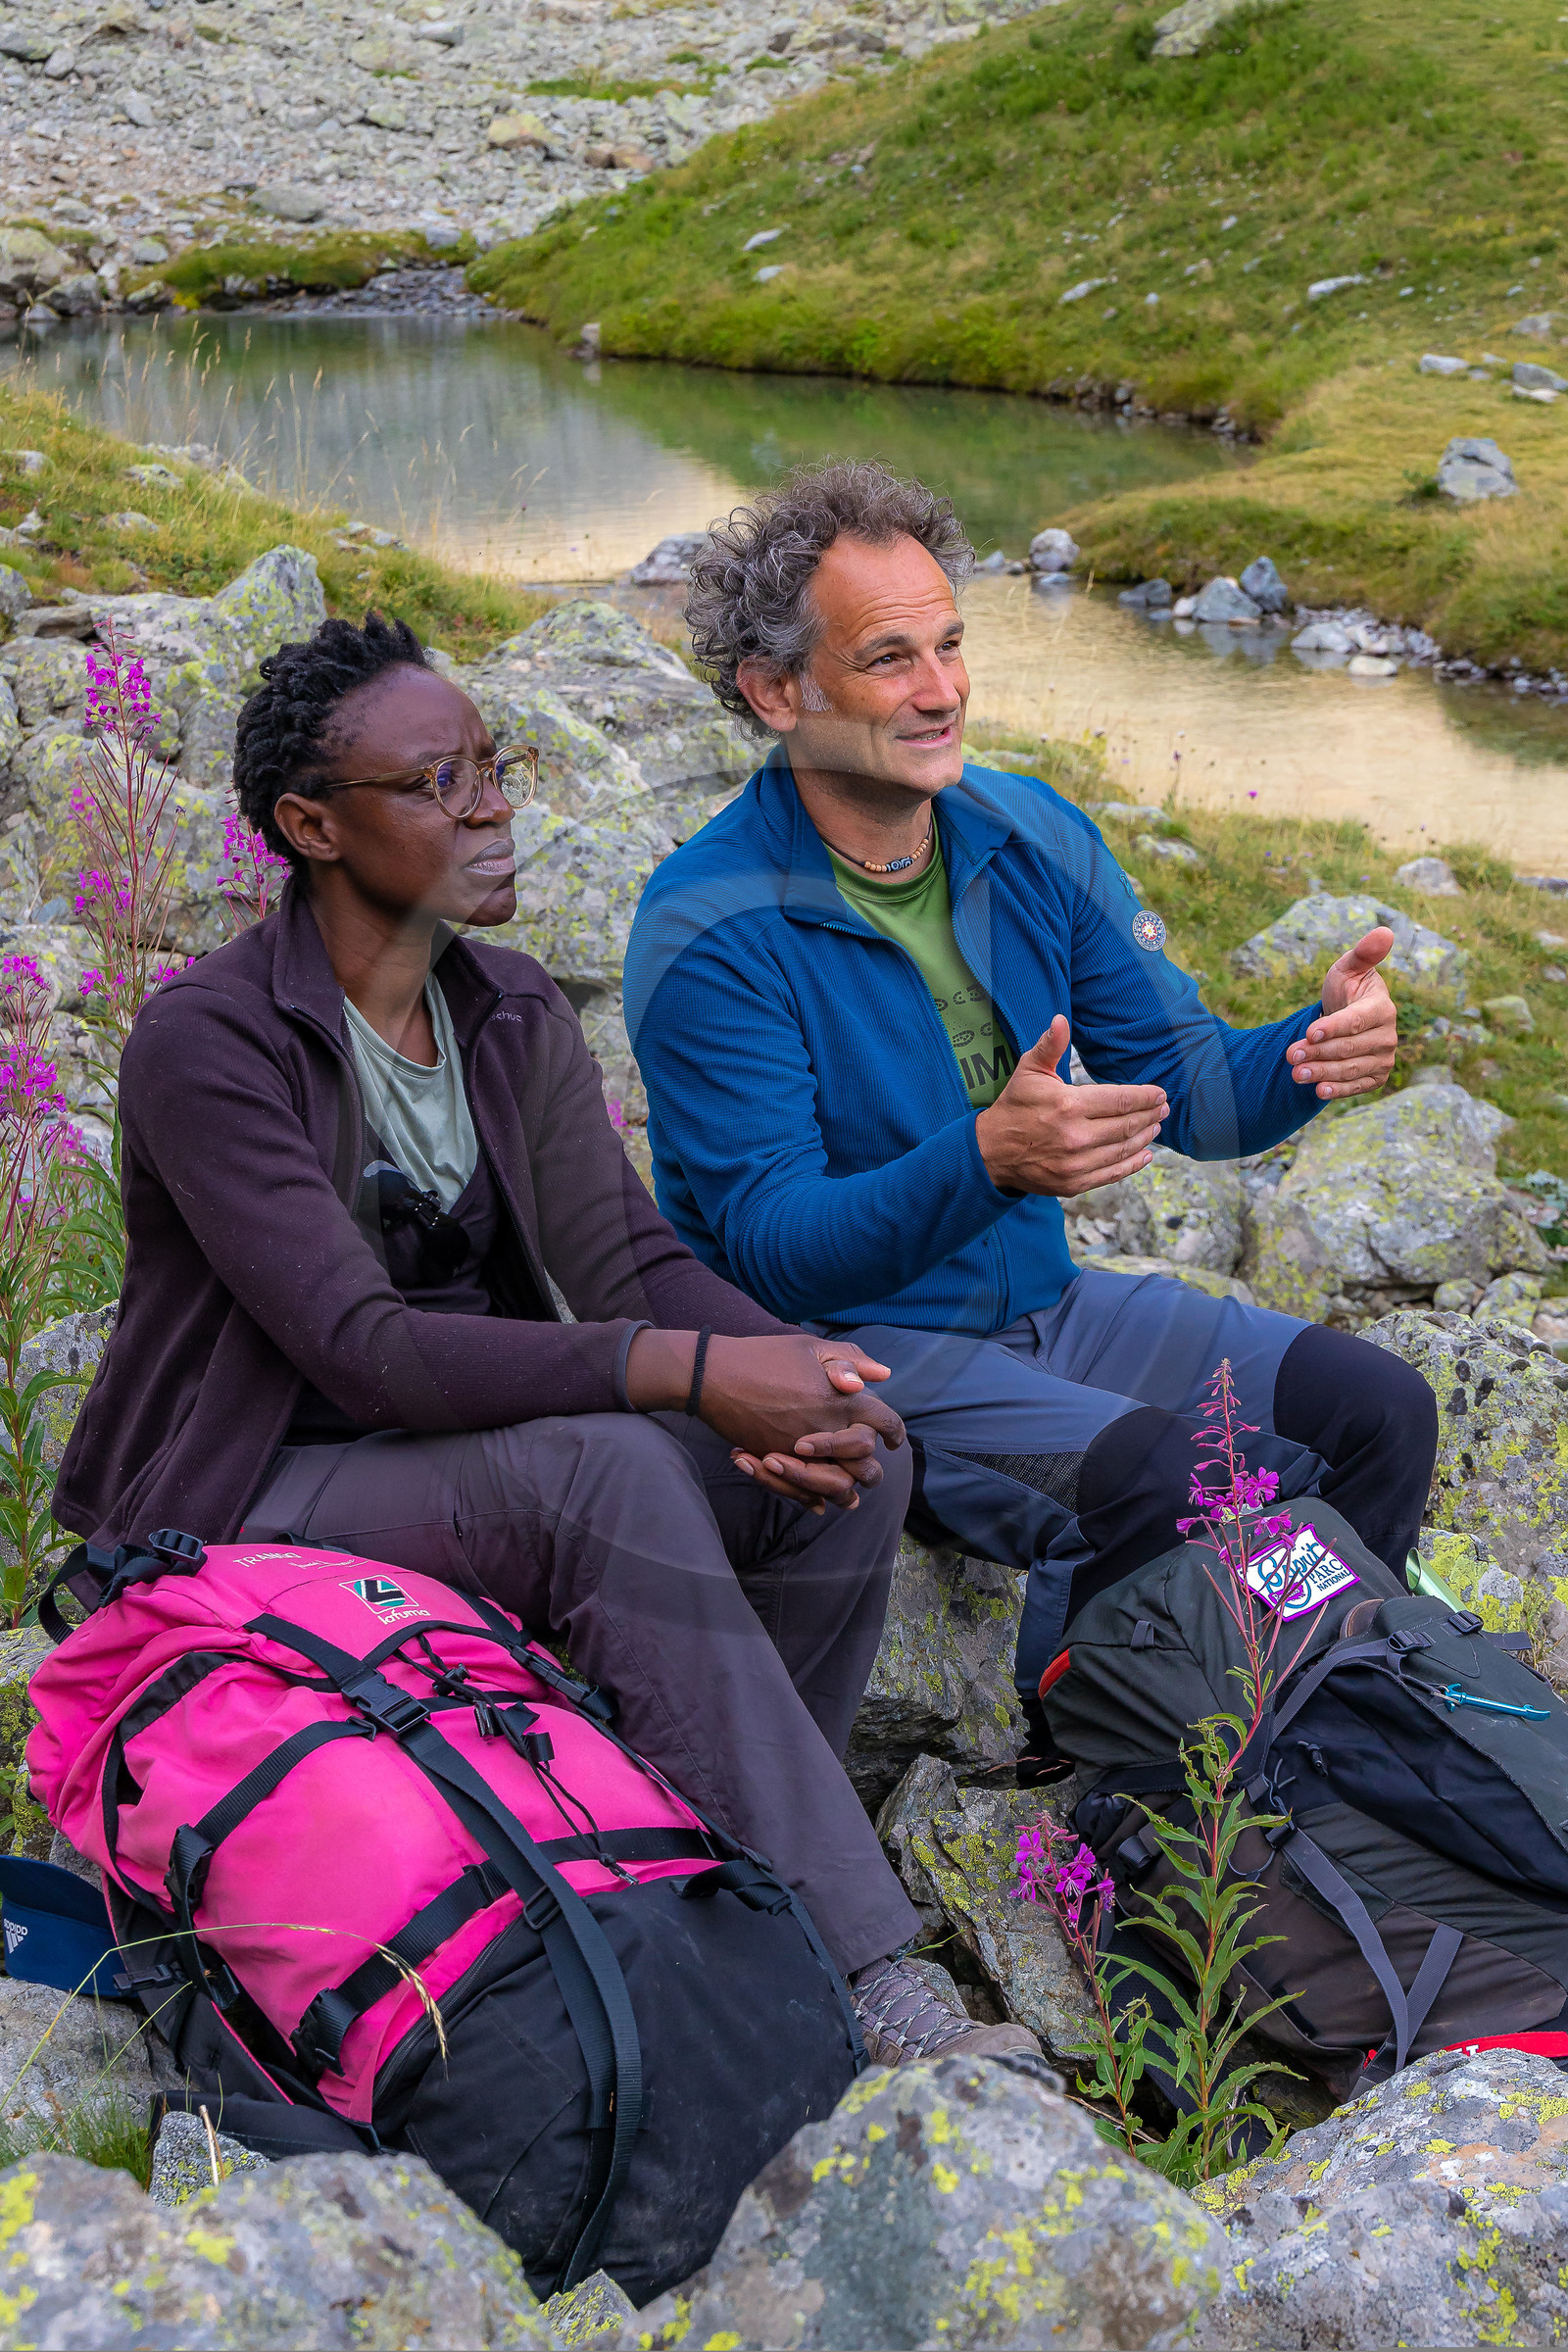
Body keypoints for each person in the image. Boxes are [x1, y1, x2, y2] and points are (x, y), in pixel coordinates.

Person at [52, 609, 1027, 2069]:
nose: (493, 803)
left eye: (492, 767)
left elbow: (625, 1257)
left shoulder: (504, 1006)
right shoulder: (212, 1041)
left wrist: (799, 1377)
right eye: (437, 782)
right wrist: (695, 1378)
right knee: (606, 1472)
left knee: (852, 1462)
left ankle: (732, 1887)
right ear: (311, 825)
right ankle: (867, 1970)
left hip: (456, 1450)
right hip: (253, 1493)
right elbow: (360, 1349)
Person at [623, 461, 1440, 1772]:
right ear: (780, 691)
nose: (941, 690)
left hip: (1050, 1311)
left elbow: (1190, 1079)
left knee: (1378, 1411)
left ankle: (1324, 1743)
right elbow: (774, 1244)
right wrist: (989, 1158)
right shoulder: (709, 926)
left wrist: (1308, 1049)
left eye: (950, 645)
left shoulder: (1028, 832)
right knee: (1168, 1483)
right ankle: (1096, 1776)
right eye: (889, 658)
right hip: (860, 1353)